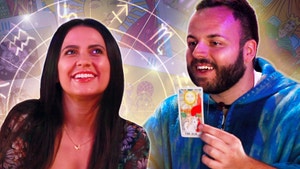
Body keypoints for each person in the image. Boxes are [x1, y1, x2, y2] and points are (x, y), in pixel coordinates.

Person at [143, 0, 300, 168]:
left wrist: (246, 166)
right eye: (192, 43)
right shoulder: (170, 114)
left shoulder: (293, 107)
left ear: (248, 51)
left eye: (215, 42)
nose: (197, 53)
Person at [0, 18, 149, 169]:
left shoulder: (132, 137)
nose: (84, 61)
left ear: (112, 67)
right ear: (55, 70)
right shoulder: (25, 120)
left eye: (96, 51)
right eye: (71, 52)